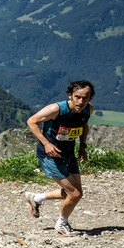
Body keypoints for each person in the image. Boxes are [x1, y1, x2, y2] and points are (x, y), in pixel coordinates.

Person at [24, 80, 94, 236]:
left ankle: (36, 198)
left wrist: (82, 147)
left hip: (69, 154)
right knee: (74, 194)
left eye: (85, 97)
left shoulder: (88, 110)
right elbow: (31, 121)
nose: (81, 101)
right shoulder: (56, 109)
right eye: (77, 97)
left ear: (90, 98)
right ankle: (62, 224)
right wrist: (46, 144)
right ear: (70, 95)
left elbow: (84, 125)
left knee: (76, 193)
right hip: (51, 156)